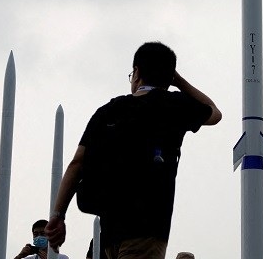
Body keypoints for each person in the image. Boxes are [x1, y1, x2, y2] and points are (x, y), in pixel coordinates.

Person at [46, 42, 222, 259]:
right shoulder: (174, 106)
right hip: (147, 231)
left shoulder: (107, 111)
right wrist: (178, 81)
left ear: (137, 73)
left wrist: (58, 215)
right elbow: (214, 113)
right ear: (169, 76)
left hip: (109, 234)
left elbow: (77, 163)